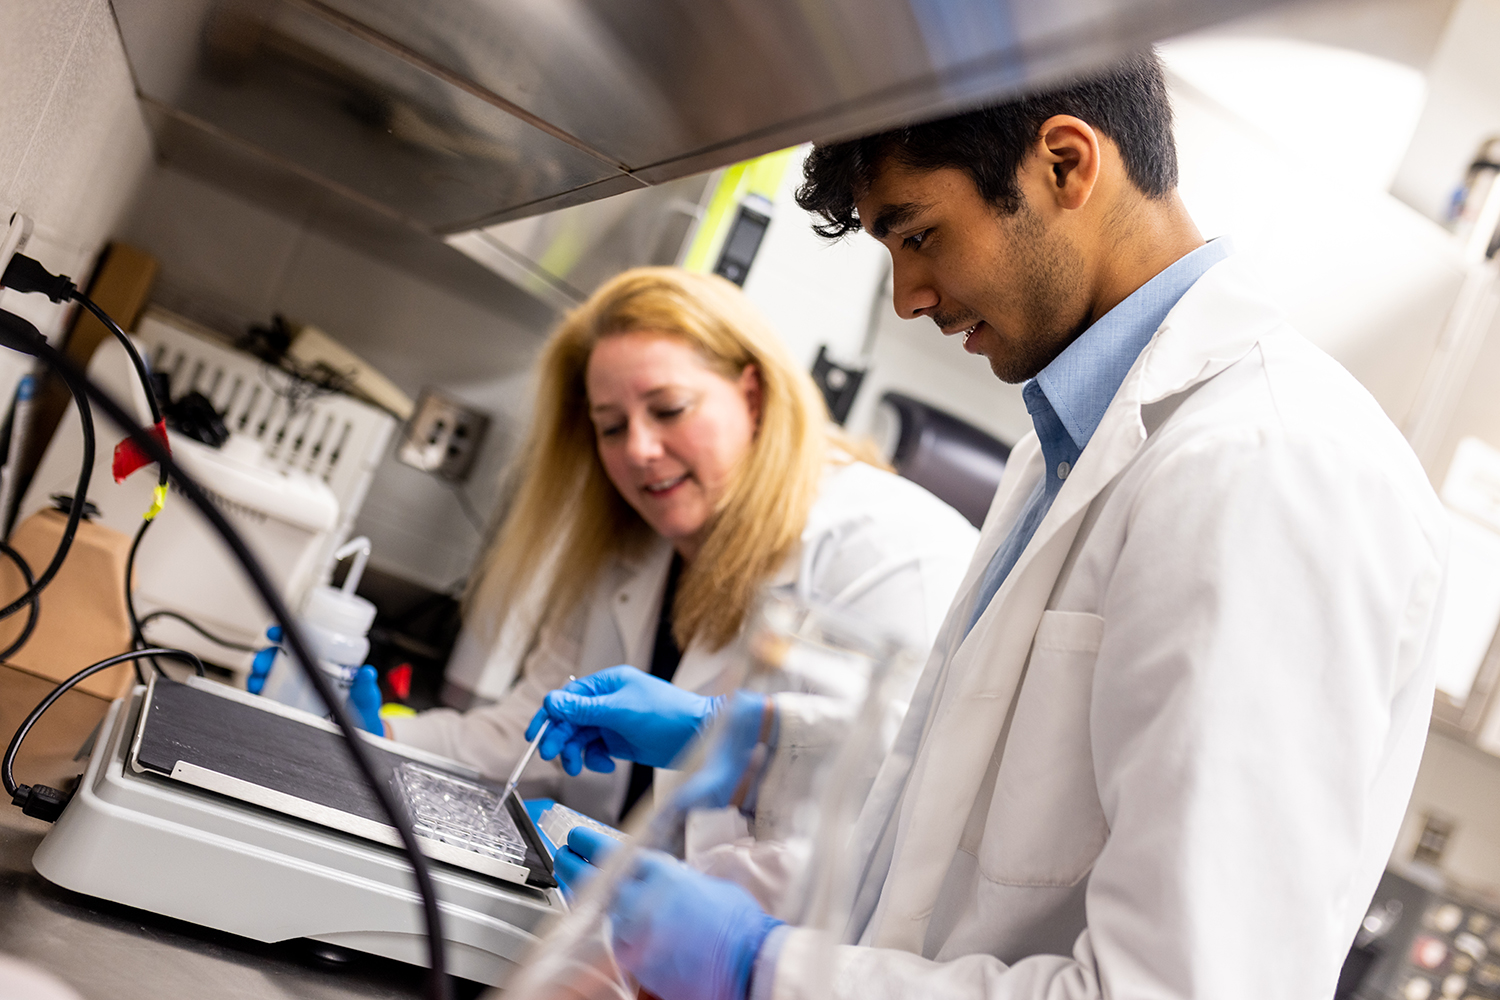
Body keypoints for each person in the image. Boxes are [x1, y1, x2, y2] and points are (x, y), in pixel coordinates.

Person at [530, 51, 1449, 1000]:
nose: (908, 296)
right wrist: (749, 749)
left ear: (1064, 163)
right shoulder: (1065, 445)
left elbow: (1181, 988)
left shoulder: (1269, 466)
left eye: (919, 234)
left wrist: (759, 968)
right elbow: (978, 805)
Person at [384, 267, 977, 824]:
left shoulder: (886, 544)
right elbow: (535, 723)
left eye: (669, 409)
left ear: (752, 396)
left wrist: (719, 744)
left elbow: (891, 798)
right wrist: (371, 736)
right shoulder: (636, 545)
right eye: (611, 427)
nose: (638, 449)